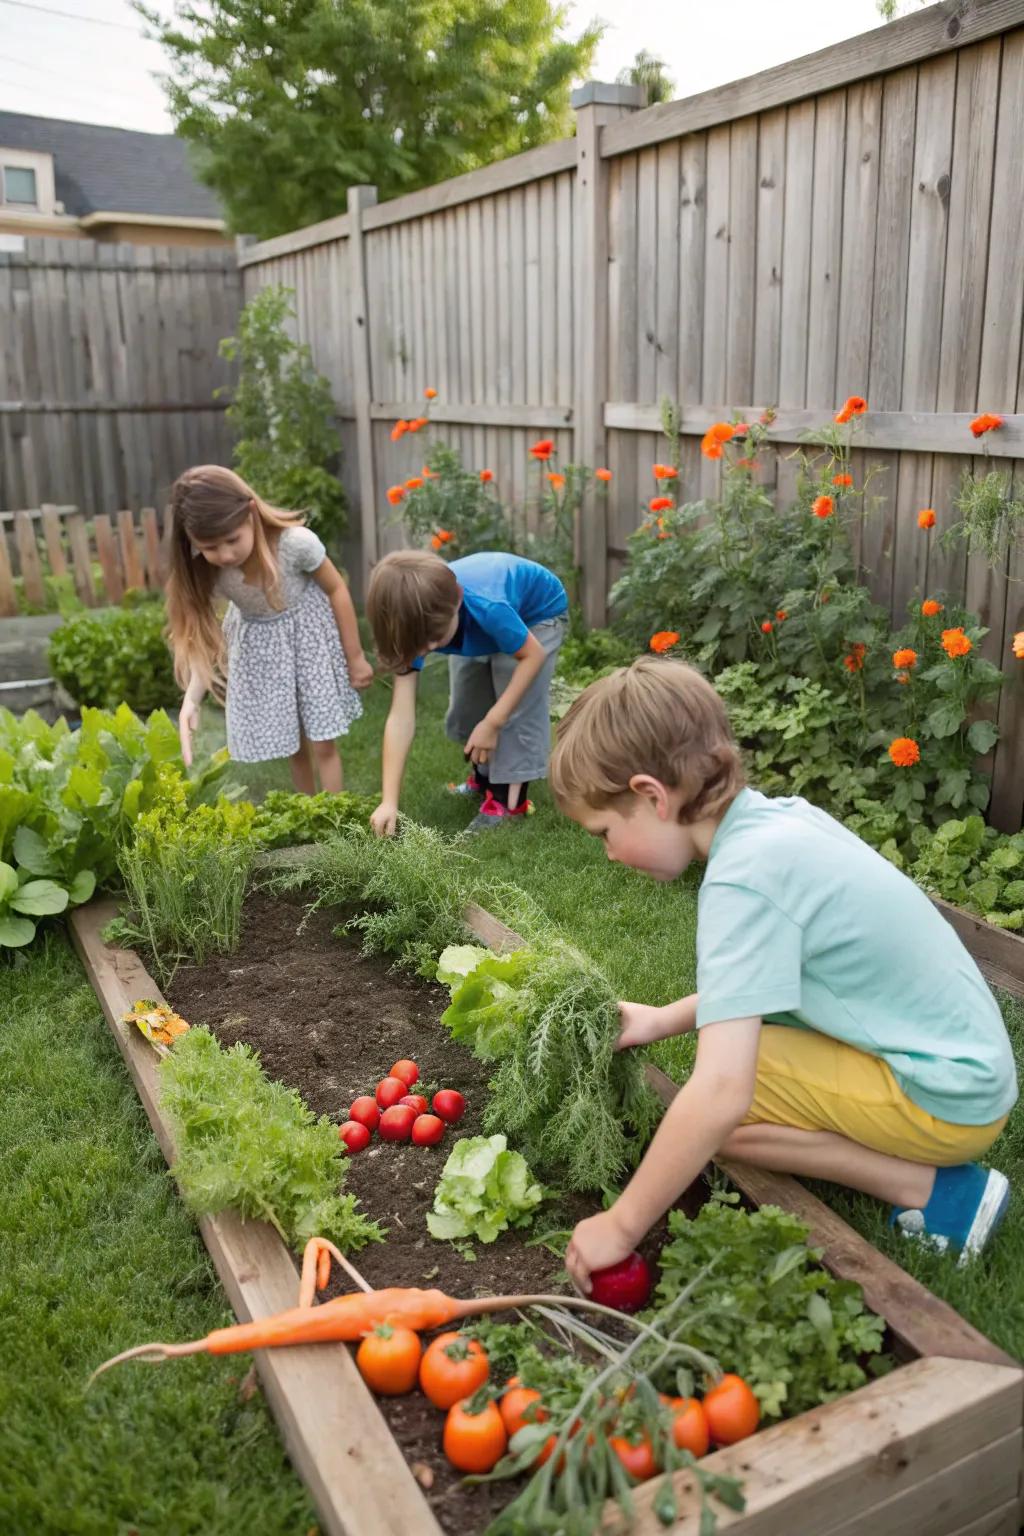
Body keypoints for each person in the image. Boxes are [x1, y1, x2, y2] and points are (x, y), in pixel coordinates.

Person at [548, 655, 1017, 1289]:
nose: (606, 853)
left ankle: (940, 1194)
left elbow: (720, 1095)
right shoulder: (779, 822)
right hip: (965, 1068)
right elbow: (767, 983)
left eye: (604, 832)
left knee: (724, 1110)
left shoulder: (743, 881)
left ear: (651, 797)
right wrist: (663, 1019)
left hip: (947, 1098)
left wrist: (621, 1225)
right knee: (735, 1065)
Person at [166, 465, 372, 790]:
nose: (225, 554)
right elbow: (200, 637)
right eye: (210, 547)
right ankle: (309, 813)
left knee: (323, 741)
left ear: (250, 512)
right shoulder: (206, 571)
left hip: (308, 641)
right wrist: (191, 699)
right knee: (294, 744)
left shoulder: (295, 545)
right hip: (263, 651)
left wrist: (355, 656)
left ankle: (336, 814)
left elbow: (336, 589)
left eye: (232, 540)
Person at [366, 548, 568, 834]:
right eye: (419, 644)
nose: (426, 650)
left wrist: (494, 720)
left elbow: (531, 656)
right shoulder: (416, 623)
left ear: (457, 599)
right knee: (468, 704)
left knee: (513, 707)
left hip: (535, 615)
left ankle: (509, 805)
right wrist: (389, 801)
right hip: (479, 623)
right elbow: (400, 717)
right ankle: (484, 778)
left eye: (435, 639)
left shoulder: (488, 605)